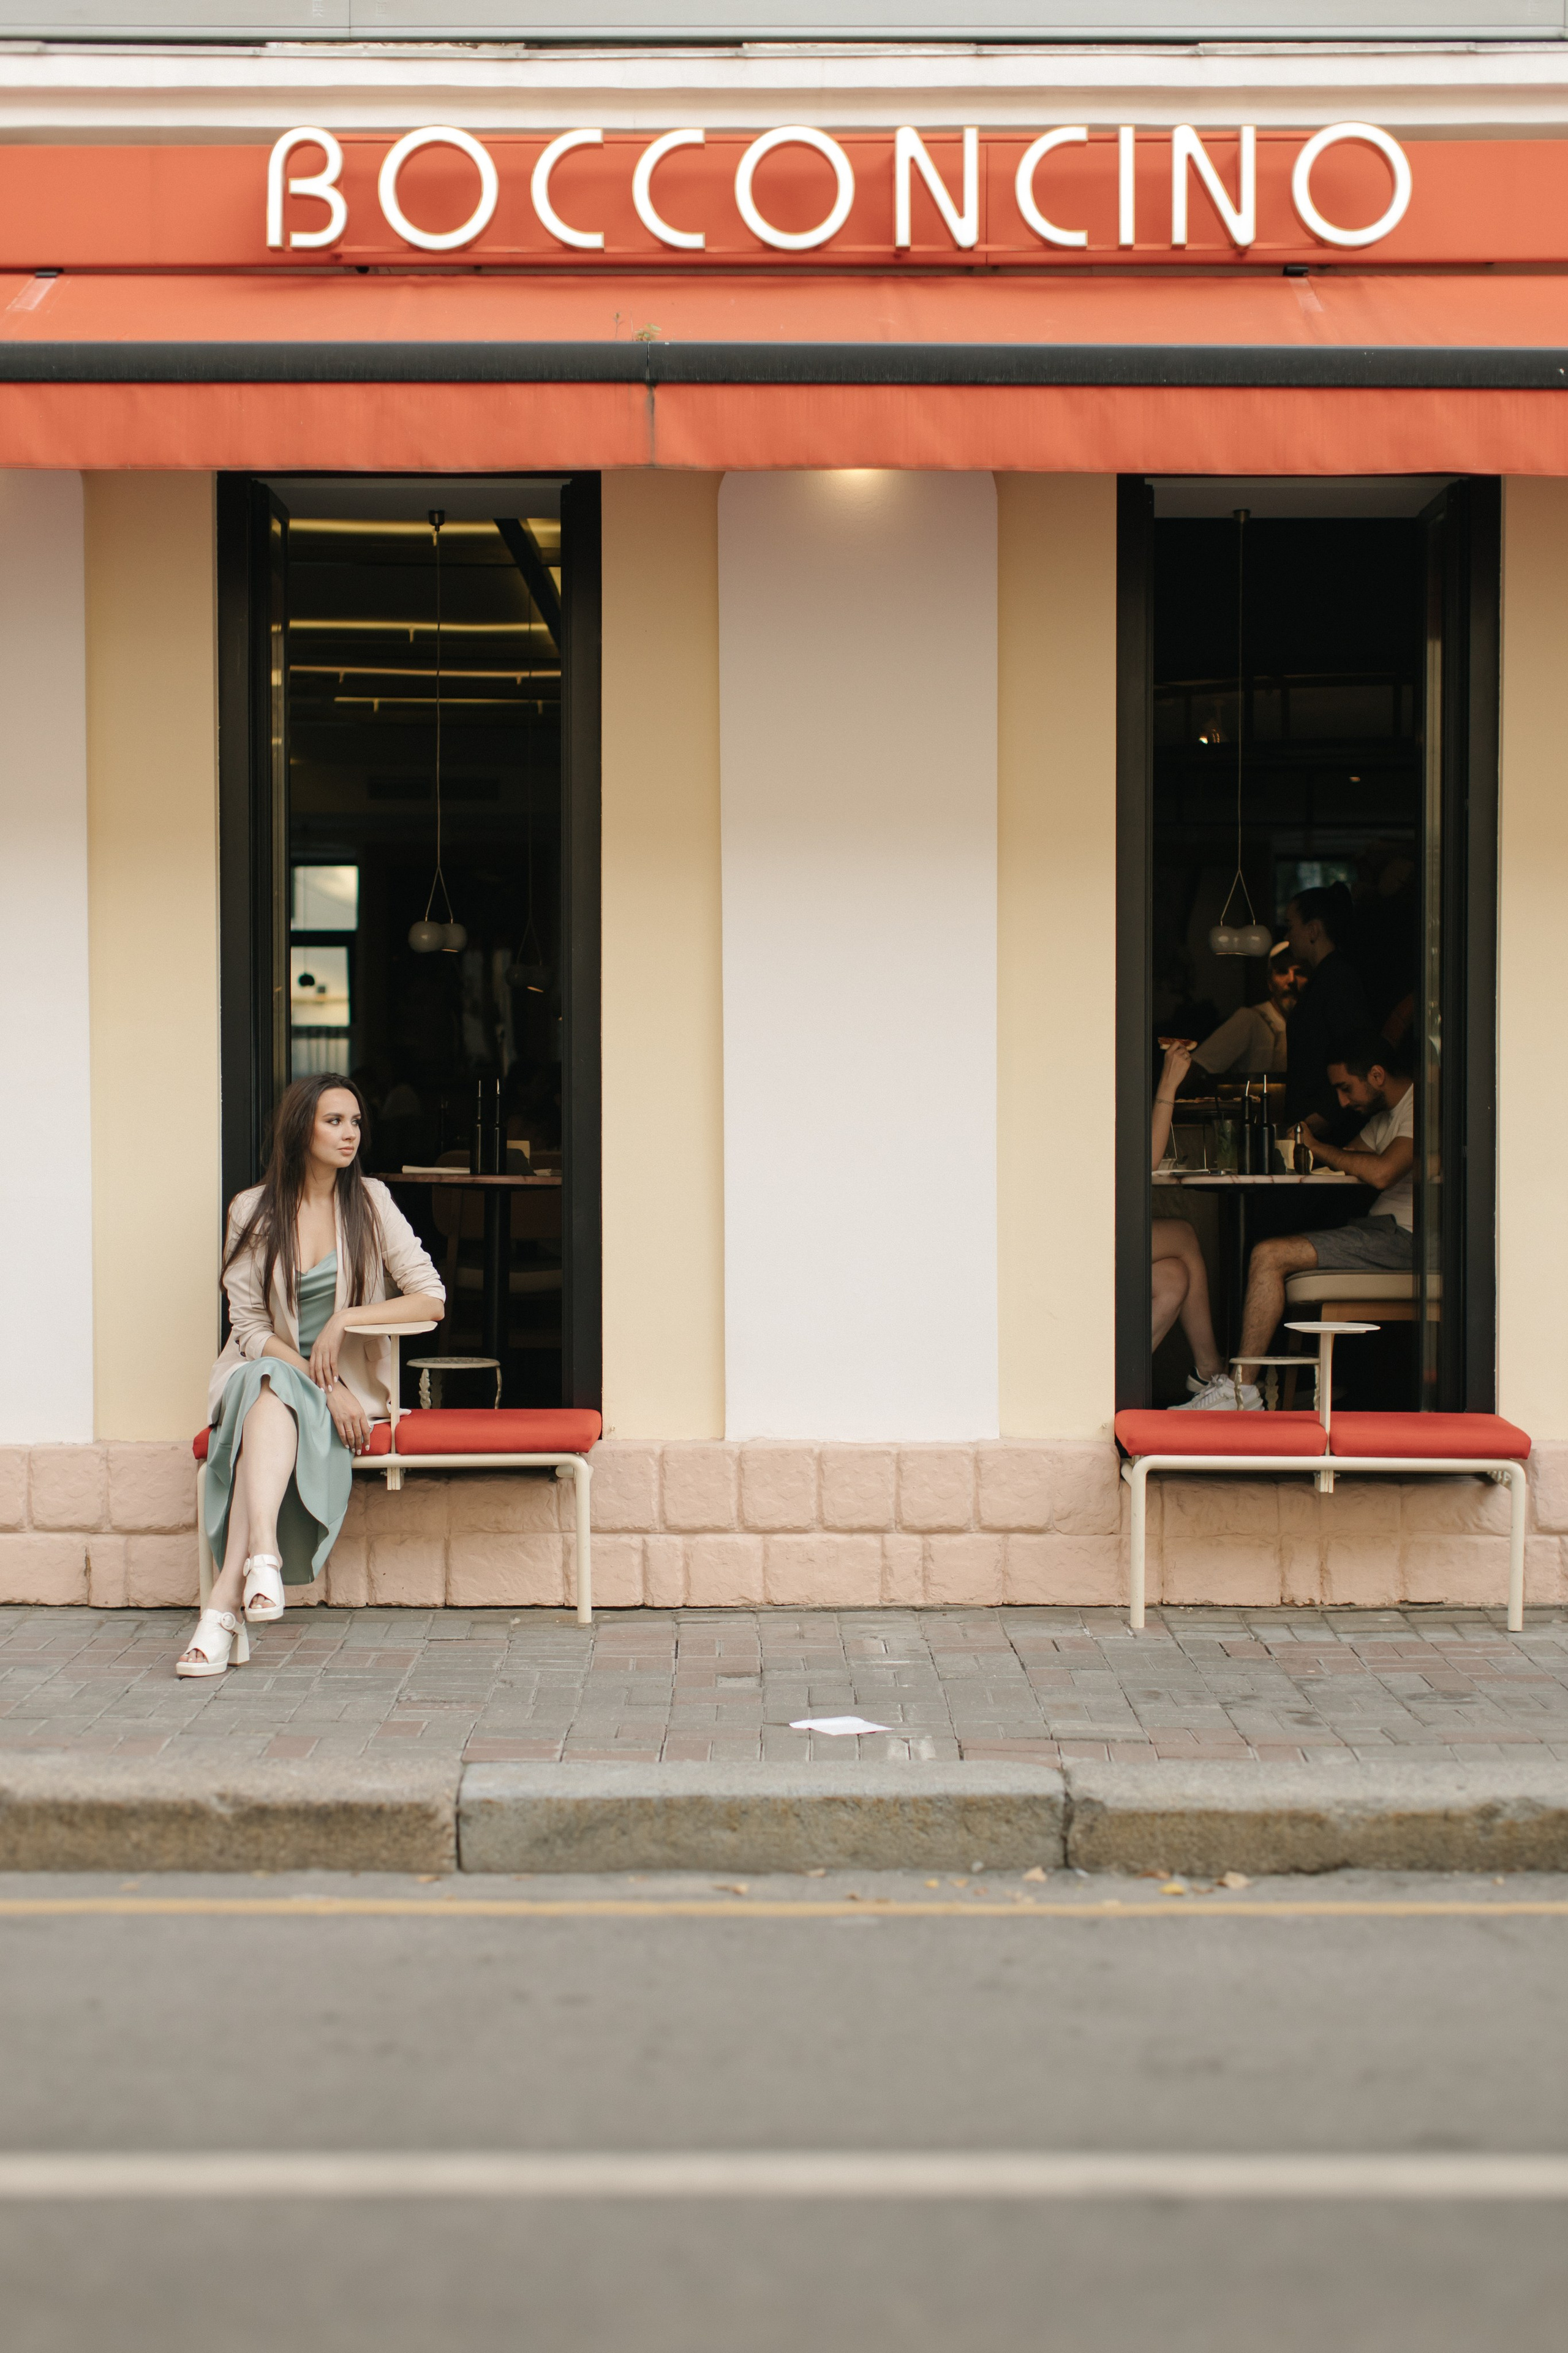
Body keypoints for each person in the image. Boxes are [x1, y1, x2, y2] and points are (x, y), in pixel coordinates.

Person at [178, 1074, 446, 1676]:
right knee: (269, 1379)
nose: (350, 1133)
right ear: (301, 1128)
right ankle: (262, 1559)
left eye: (355, 1121)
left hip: (328, 1392)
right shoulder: (252, 1209)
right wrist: (325, 1387)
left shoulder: (371, 1201)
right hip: (270, 1376)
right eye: (334, 1121)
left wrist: (346, 1318)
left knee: (269, 1399)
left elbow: (431, 1300)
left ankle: (227, 1598)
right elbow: (247, 1325)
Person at [1182, 1032, 1414, 1411]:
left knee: (1270, 1254)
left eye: (1345, 1089)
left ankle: (1241, 1394)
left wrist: (1317, 1144)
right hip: (1382, 1229)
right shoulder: (1388, 1114)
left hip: (1408, 1239)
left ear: (1376, 1075)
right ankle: (1240, 1387)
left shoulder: (1423, 1106)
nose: (1342, 1101)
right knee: (1272, 1244)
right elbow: (1348, 1159)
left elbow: (1383, 1173)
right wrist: (1313, 1143)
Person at [1150, 1042, 1227, 1400]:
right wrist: (1168, 1084)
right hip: (1069, 1231)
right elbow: (1146, 1163)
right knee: (1182, 1234)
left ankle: (1108, 1385)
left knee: (1172, 1278)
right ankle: (1210, 1370)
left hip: (1087, 1224)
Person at [1281, 883, 1369, 1138]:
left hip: (1328, 1127)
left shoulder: (1338, 978)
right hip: (1315, 1122)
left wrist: (1326, 1115)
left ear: (1313, 930)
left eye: (1290, 926)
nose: (1287, 937)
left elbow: (1353, 1048)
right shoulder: (1324, 978)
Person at [1191, 937, 1302, 1079]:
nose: (1292, 980)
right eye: (1282, 972)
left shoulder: (1308, 1024)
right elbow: (1199, 1065)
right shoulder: (1251, 1019)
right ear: (1270, 982)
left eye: (1300, 972)